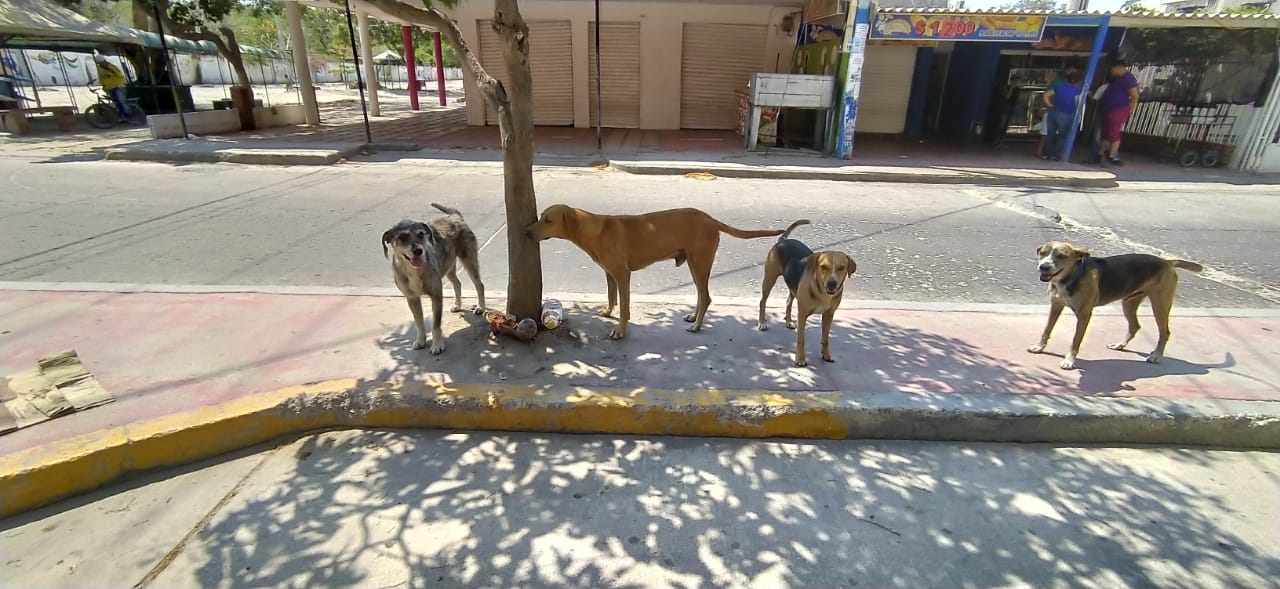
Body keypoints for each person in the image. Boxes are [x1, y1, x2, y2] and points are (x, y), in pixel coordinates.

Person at [1096, 59, 1139, 166]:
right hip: (1108, 109)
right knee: (1105, 133)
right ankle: (1100, 154)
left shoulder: (1128, 79)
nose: (1111, 72)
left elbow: (1134, 95)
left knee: (1114, 132)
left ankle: (1113, 155)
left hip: (1118, 109)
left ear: (1119, 68)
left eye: (1112, 69)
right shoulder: (1117, 79)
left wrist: (1131, 109)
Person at [1040, 67, 1082, 161]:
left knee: (1050, 135)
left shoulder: (1059, 87)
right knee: (1062, 136)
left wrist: (1050, 105)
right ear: (1077, 81)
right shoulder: (1078, 91)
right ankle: (1056, 155)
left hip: (1053, 112)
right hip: (1066, 114)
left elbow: (1045, 95)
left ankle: (1046, 154)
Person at [93, 54, 130, 121]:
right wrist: (103, 86)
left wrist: (112, 71)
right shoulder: (99, 69)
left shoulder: (112, 67)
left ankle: (128, 116)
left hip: (118, 86)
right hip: (109, 88)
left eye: (103, 62)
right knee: (117, 103)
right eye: (100, 63)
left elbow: (121, 75)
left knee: (121, 102)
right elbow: (102, 78)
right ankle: (122, 117)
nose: (103, 64)